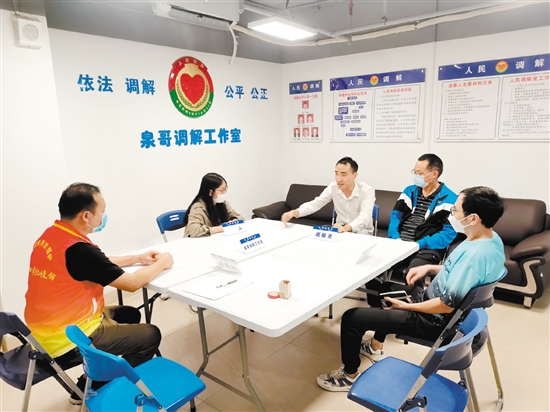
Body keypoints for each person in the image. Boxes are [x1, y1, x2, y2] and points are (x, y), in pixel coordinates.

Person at [316, 186, 505, 392]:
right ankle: (375, 345)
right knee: (384, 287)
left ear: (473, 218)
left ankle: (349, 375)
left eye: (455, 210)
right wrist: (430, 267)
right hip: (436, 305)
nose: (452, 214)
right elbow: (461, 272)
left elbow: (445, 306)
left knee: (351, 318)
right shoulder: (490, 240)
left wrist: (407, 307)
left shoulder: (475, 255)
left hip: (434, 321)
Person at [24, 183, 174, 404]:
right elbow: (132, 283)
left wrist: (137, 258)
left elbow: (98, 262)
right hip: (66, 339)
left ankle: (96, 371)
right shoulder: (79, 250)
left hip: (45, 330)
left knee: (129, 314)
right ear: (87, 216)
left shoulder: (53, 236)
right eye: (102, 211)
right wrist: (163, 262)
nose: (103, 216)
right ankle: (96, 386)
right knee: (151, 335)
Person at [366, 154, 458, 299]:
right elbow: (395, 216)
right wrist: (395, 238)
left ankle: (413, 305)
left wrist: (419, 244)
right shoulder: (409, 191)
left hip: (427, 248)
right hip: (400, 243)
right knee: (371, 264)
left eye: (419, 173)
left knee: (413, 273)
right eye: (414, 172)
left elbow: (448, 234)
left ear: (434, 174)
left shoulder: (451, 199)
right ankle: (377, 302)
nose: (415, 176)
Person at [281, 157, 375, 234]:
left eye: (343, 175)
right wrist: (294, 212)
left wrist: (347, 228)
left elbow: (365, 217)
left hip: (362, 231)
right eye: (336, 174)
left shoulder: (367, 191)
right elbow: (316, 204)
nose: (338, 179)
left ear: (355, 175)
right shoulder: (333, 187)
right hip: (340, 229)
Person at [184, 172, 244, 237]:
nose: (224, 192)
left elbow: (240, 217)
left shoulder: (222, 203)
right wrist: (222, 228)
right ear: (210, 192)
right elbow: (194, 230)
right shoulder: (198, 207)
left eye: (225, 189)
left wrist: (234, 221)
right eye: (221, 190)